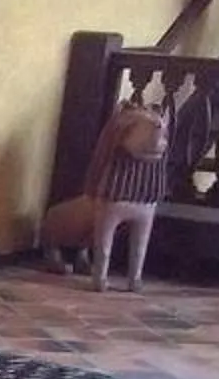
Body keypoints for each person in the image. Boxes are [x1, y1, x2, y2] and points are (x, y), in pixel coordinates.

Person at [83, 75, 197, 291]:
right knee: (105, 237)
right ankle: (103, 276)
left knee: (137, 239)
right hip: (116, 191)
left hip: (144, 193)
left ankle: (133, 277)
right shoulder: (122, 130)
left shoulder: (154, 139)